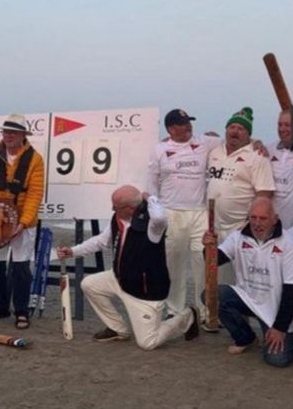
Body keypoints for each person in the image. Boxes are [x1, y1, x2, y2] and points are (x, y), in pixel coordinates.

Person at [56, 185, 198, 350]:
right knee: (89, 284)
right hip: (119, 278)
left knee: (148, 343)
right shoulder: (117, 218)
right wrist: (72, 251)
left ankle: (187, 316)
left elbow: (160, 217)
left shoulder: (153, 225)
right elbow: (101, 241)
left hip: (144, 291)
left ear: (130, 208)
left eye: (115, 206)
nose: (112, 209)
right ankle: (118, 329)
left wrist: (150, 197)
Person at [203, 197, 293, 367]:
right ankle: (245, 337)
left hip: (274, 312)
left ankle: (278, 334)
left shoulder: (288, 243)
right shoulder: (238, 236)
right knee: (211, 295)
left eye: (263, 218)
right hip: (247, 299)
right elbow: (214, 261)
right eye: (253, 218)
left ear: (274, 219)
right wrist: (208, 247)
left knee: (277, 360)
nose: (257, 223)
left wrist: (280, 328)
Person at [146, 108, 219, 323]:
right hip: (172, 211)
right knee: (174, 262)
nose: (188, 126)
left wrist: (257, 142)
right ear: (170, 128)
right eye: (182, 123)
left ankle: (204, 310)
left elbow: (233, 142)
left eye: (189, 122)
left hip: (199, 212)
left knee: (201, 259)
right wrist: (156, 214)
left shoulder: (204, 142)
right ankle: (174, 309)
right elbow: (152, 186)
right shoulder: (159, 149)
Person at [205, 107, 275, 330]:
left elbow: (264, 193)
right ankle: (215, 319)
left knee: (244, 280)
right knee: (215, 274)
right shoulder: (214, 151)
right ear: (226, 129)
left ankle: (245, 324)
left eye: (242, 129)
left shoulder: (258, 157)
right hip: (214, 226)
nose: (235, 132)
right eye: (232, 127)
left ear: (249, 134)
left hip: (241, 227)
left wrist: (255, 226)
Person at [0, 113, 45, 329]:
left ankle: (21, 310)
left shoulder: (35, 159)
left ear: (23, 135)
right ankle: (1, 306)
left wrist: (23, 223)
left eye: (14, 132)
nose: (9, 136)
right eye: (6, 131)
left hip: (23, 221)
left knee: (21, 265)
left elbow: (34, 194)